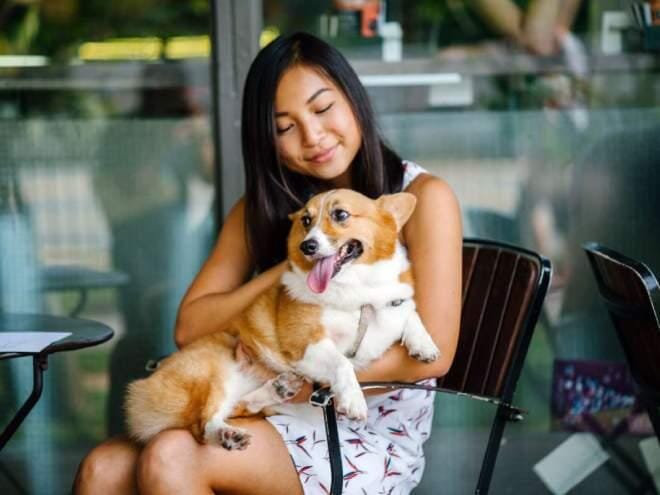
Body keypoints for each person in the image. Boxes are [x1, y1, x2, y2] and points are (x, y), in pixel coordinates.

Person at [73, 31, 462, 495]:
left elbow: (432, 354)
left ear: (353, 99)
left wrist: (301, 381)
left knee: (171, 457)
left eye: (322, 109)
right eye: (285, 127)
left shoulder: (421, 196)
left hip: (363, 429)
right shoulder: (266, 209)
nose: (313, 136)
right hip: (269, 408)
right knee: (102, 468)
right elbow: (190, 327)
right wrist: (300, 260)